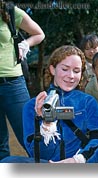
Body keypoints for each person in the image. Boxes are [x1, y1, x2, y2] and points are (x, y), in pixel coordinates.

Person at [0, 45, 98, 163]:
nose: (71, 76)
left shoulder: (87, 102)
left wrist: (77, 160)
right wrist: (45, 125)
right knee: (7, 163)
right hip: (48, 167)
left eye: (76, 71)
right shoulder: (31, 106)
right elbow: (38, 154)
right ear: (53, 69)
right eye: (65, 69)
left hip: (80, 165)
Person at [0, 0, 45, 160]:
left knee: (30, 136)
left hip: (13, 84)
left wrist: (26, 43)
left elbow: (39, 34)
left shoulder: (10, 11)